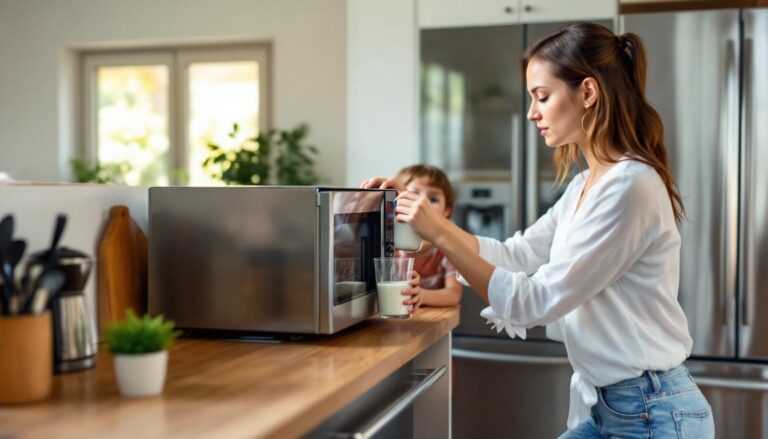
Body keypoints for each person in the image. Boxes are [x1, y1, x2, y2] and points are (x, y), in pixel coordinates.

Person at [363, 23, 714, 438]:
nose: (532, 113)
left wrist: (437, 232)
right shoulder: (585, 186)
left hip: (652, 415)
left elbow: (537, 301)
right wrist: (425, 216)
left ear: (587, 92)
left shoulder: (630, 186)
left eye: (542, 97)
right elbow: (513, 254)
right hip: (614, 410)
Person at [365, 164, 463, 311]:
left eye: (433, 199)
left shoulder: (447, 249)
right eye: (413, 194)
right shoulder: (392, 246)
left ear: (446, 212)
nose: (421, 204)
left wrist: (422, 295)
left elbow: (454, 294)